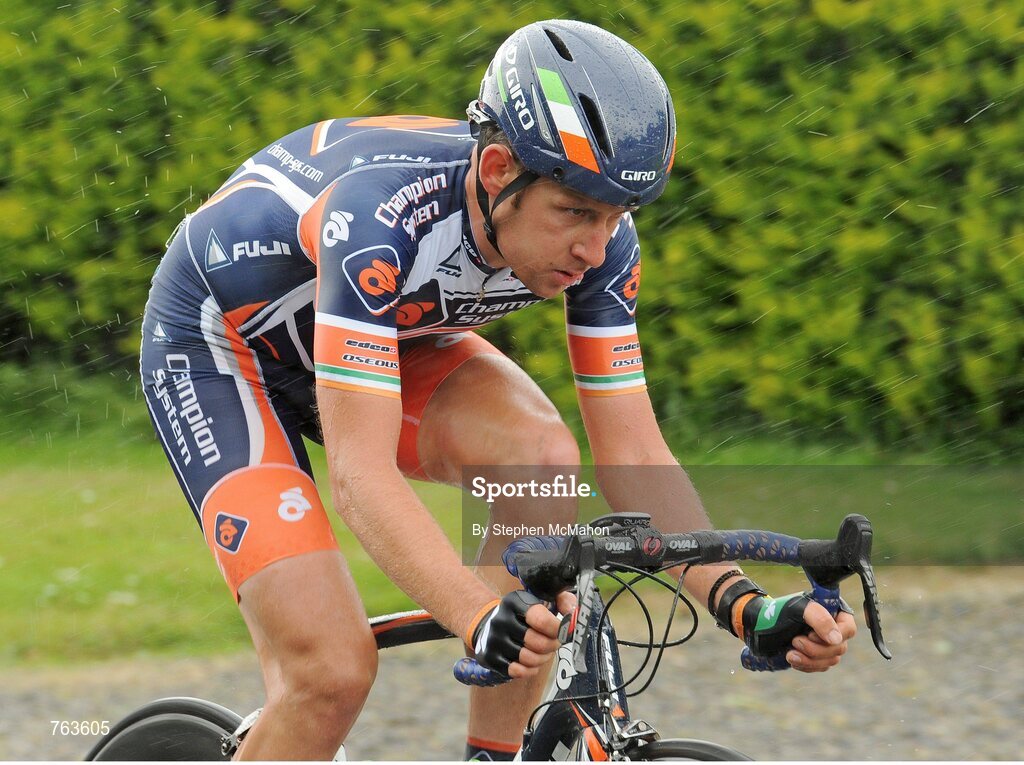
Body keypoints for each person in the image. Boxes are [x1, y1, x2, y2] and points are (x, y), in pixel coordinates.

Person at [140, 19, 856, 761]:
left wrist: (741, 603)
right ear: (495, 172)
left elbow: (634, 450)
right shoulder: (379, 217)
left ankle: (493, 754)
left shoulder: (600, 244)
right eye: (576, 212)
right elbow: (361, 475)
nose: (596, 245)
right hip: (222, 351)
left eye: (618, 216)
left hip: (383, 339)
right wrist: (479, 614)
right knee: (330, 673)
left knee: (539, 458)